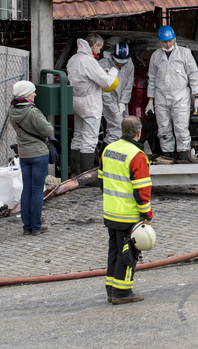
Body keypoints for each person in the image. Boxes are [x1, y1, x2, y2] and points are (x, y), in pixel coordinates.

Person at [99, 115, 152, 304]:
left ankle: (111, 289)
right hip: (128, 214)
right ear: (139, 132)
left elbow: (101, 180)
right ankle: (122, 292)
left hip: (110, 212)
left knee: (114, 250)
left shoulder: (108, 150)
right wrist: (146, 213)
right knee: (128, 253)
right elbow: (142, 189)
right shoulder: (137, 155)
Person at [146, 25, 198, 163]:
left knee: (181, 129)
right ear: (160, 41)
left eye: (170, 41)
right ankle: (167, 158)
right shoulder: (155, 56)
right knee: (164, 131)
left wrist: (197, 97)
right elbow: (151, 79)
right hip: (161, 98)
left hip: (180, 98)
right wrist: (150, 101)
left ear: (175, 39)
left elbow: (193, 76)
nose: (168, 44)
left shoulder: (184, 53)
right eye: (165, 41)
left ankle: (184, 159)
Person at [66, 33, 119, 175]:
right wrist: (113, 71)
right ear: (94, 46)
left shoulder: (74, 59)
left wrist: (102, 72)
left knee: (78, 136)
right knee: (89, 139)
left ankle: (75, 172)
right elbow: (106, 82)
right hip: (90, 103)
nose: (100, 51)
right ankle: (87, 174)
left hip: (76, 100)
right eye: (99, 48)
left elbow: (87, 77)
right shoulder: (88, 61)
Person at [8, 80, 54, 235]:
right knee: (37, 191)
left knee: (26, 189)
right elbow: (48, 131)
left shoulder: (12, 111)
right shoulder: (32, 111)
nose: (35, 94)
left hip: (24, 154)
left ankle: (27, 226)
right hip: (38, 153)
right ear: (27, 94)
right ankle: (36, 227)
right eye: (33, 91)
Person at [100, 42, 135, 145]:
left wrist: (123, 102)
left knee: (125, 128)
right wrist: (114, 111)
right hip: (107, 102)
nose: (120, 65)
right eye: (118, 62)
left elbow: (129, 85)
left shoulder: (129, 63)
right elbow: (104, 91)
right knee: (115, 128)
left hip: (121, 101)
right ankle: (107, 153)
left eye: (122, 63)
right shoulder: (103, 64)